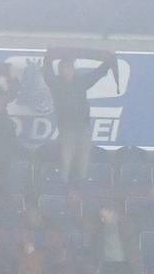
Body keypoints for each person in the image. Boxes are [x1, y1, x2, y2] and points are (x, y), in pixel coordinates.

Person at [42, 49, 117, 184]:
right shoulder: (55, 84)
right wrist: (48, 55)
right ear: (60, 71)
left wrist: (109, 60)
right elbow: (47, 72)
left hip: (84, 127)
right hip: (67, 129)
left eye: (69, 68)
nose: (67, 71)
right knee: (66, 159)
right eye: (64, 68)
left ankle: (81, 187)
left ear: (73, 69)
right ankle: (63, 186)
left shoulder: (81, 82)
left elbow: (96, 74)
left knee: (84, 159)